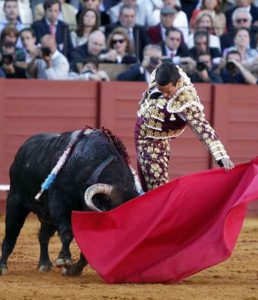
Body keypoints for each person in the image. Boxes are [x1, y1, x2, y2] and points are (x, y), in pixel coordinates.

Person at [135, 61, 234, 192]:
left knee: (157, 188)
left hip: (156, 139)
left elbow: (203, 128)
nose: (165, 96)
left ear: (179, 82)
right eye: (161, 91)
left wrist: (221, 156)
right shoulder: (165, 72)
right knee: (153, 184)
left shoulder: (186, 101)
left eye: (168, 92)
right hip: (145, 130)